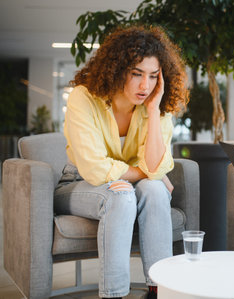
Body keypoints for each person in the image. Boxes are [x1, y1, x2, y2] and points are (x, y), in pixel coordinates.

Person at [54, 26, 188, 299]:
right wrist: (149, 173)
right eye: (136, 73)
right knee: (124, 195)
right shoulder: (84, 96)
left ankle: (159, 290)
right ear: (117, 69)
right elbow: (94, 168)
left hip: (126, 184)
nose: (145, 86)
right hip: (80, 182)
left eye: (153, 76)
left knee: (154, 190)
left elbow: (156, 169)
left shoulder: (156, 106)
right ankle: (113, 295)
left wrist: (152, 111)